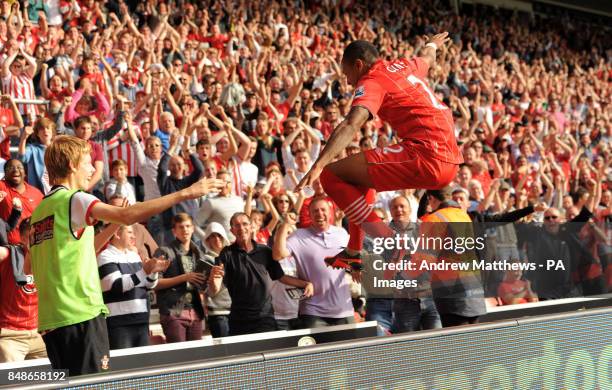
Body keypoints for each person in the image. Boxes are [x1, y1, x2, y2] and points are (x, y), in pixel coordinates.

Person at [29, 135, 222, 376]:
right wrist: (186, 193)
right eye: (88, 162)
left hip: (52, 321)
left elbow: (31, 264)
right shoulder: (74, 199)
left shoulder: (39, 212)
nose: (91, 169)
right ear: (71, 164)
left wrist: (110, 227)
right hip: (80, 314)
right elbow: (129, 215)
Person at [296, 33, 463, 270]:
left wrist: (318, 164)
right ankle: (354, 250)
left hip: (426, 155)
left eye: (347, 74)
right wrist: (432, 44)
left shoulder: (372, 81)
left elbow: (351, 124)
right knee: (355, 179)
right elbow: (426, 57)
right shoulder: (404, 66)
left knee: (330, 175)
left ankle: (391, 242)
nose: (348, 82)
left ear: (359, 65)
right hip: (448, 157)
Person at [208, 212, 314, 336]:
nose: (241, 228)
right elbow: (214, 290)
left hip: (265, 319)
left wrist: (305, 283)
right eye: (237, 225)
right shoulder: (226, 254)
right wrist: (213, 279)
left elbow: (281, 277)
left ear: (251, 227)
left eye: (244, 224)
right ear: (232, 230)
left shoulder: (265, 251)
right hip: (239, 321)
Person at [272, 197, 354, 329]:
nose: (320, 214)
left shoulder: (341, 234)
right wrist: (285, 225)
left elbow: (355, 260)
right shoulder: (298, 236)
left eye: (323, 210)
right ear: (309, 215)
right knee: (316, 350)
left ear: (331, 213)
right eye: (315, 211)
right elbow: (277, 255)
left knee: (350, 350)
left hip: (343, 310)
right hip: (313, 312)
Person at [420, 187, 487, 327]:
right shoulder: (463, 215)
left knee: (458, 343)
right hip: (473, 286)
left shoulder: (433, 219)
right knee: (473, 341)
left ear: (431, 199)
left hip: (451, 291)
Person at [97, 225, 169, 349]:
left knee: (143, 365)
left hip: (141, 321)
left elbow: (148, 285)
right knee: (124, 366)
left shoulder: (134, 256)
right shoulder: (105, 257)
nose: (133, 236)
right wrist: (144, 271)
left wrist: (154, 272)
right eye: (129, 232)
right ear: (117, 234)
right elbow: (116, 285)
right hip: (119, 324)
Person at [155, 213, 209, 343]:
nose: (185, 230)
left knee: (197, 359)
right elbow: (155, 283)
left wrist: (212, 277)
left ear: (193, 228)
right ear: (174, 231)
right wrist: (184, 277)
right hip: (174, 312)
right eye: (181, 227)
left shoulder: (198, 252)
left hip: (195, 312)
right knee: (180, 358)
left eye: (187, 226)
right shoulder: (164, 251)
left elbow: (203, 287)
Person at [0, 219, 47, 362]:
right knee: (12, 381)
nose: (34, 241)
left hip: (39, 334)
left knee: (54, 378)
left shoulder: (48, 257)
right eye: (29, 237)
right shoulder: (11, 254)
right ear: (21, 238)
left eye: (37, 236)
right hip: (11, 336)